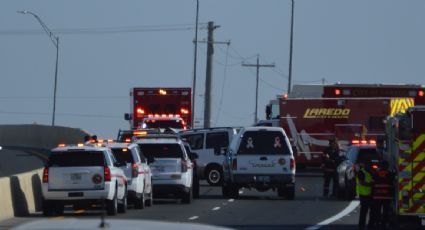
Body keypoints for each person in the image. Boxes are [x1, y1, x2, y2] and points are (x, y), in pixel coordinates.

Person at [371, 160, 394, 230]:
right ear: (387, 166)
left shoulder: (376, 173)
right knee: (385, 211)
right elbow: (392, 183)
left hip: (377, 196)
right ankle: (383, 225)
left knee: (377, 211)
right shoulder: (389, 174)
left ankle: (377, 223)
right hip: (387, 196)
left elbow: (373, 183)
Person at [357, 161, 375, 230]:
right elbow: (362, 183)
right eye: (368, 166)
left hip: (371, 195)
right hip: (364, 195)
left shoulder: (371, 172)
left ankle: (371, 225)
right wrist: (371, 184)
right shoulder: (361, 172)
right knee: (364, 211)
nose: (370, 167)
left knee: (373, 211)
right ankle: (361, 226)